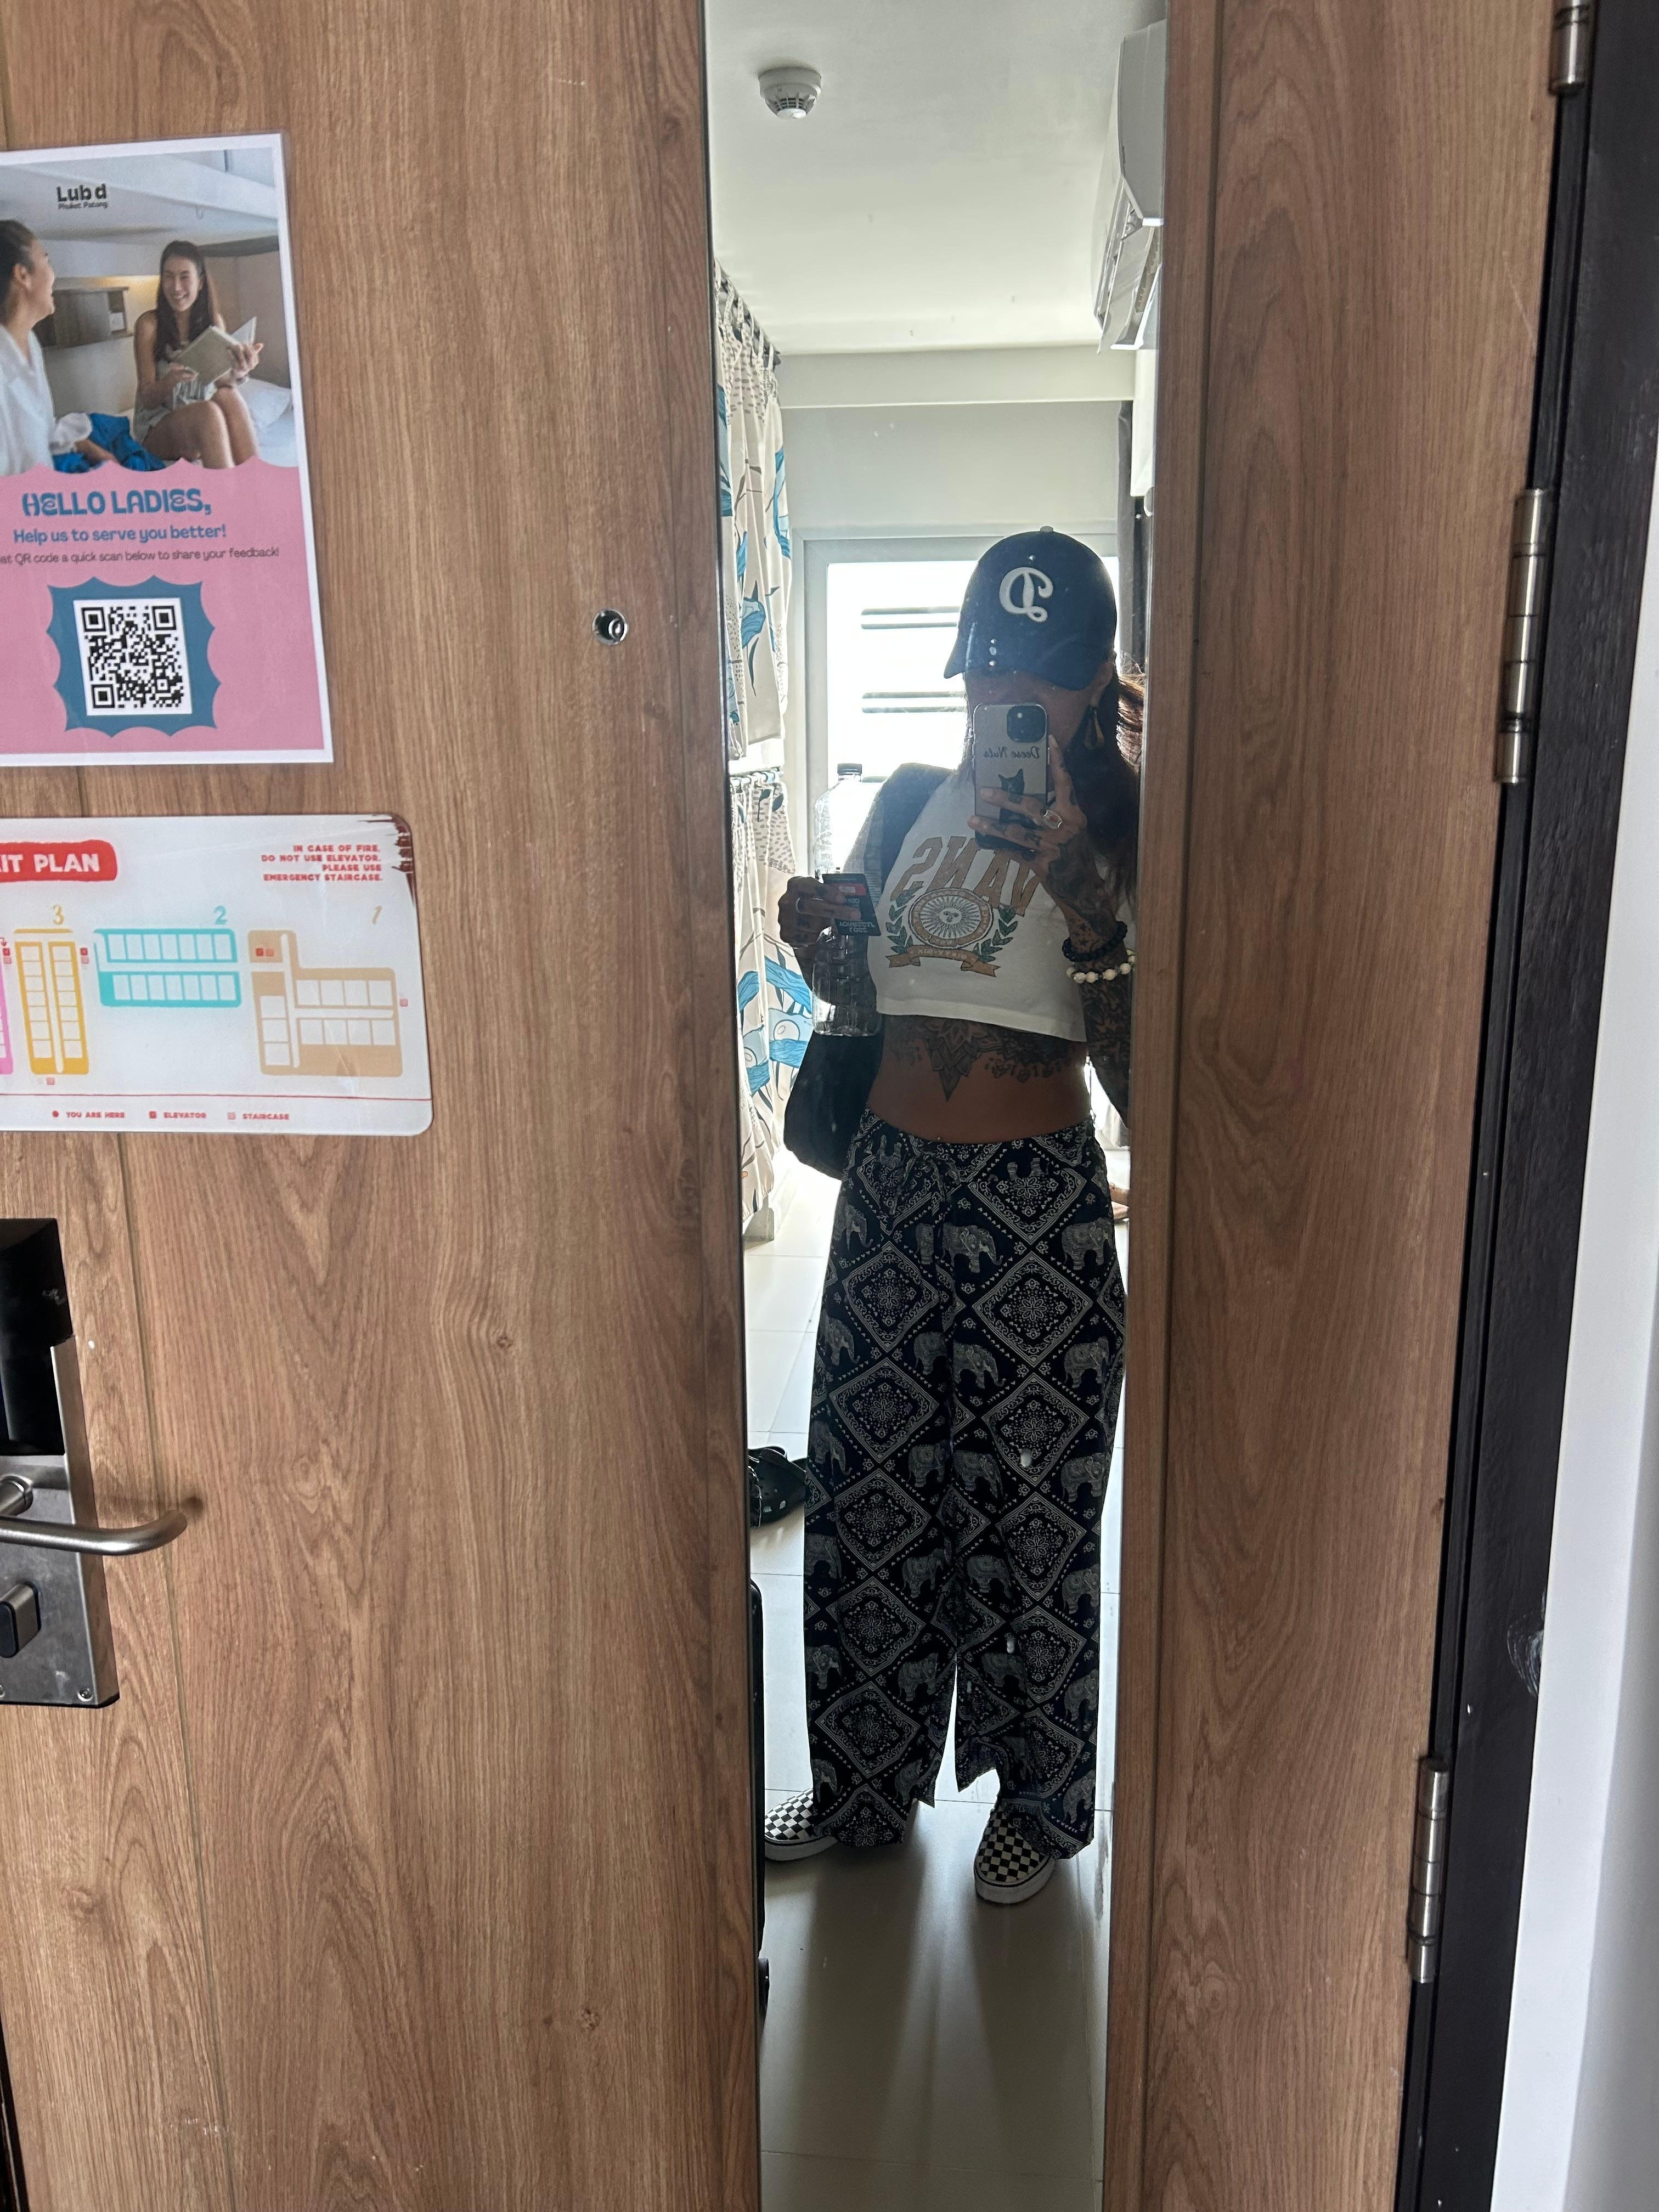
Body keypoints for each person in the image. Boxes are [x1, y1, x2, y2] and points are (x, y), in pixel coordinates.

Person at [768, 529, 1141, 1905]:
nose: (1008, 700)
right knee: (865, 1493)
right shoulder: (912, 798)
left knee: (1033, 1513)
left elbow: (1146, 1084)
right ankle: (862, 1783)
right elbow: (871, 998)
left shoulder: (1134, 827)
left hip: (1036, 1208)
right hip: (889, 1194)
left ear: (1094, 679)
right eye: (988, 673)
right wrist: (822, 947)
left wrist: (1089, 907)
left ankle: (1040, 1800)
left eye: (1038, 676)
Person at [132, 240, 263, 467]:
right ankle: (226, 490)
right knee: (208, 412)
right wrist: (171, 381)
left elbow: (221, 382)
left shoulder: (214, 323)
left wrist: (239, 371)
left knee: (228, 395)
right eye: (169, 277)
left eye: (184, 277)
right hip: (158, 427)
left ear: (200, 282)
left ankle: (256, 481)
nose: (176, 287)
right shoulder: (149, 325)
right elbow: (147, 399)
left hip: (199, 424)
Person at [0, 222, 114, 475]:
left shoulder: (30, 342)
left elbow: (41, 431)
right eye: (47, 261)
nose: (53, 275)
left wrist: (90, 448)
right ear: (23, 276)